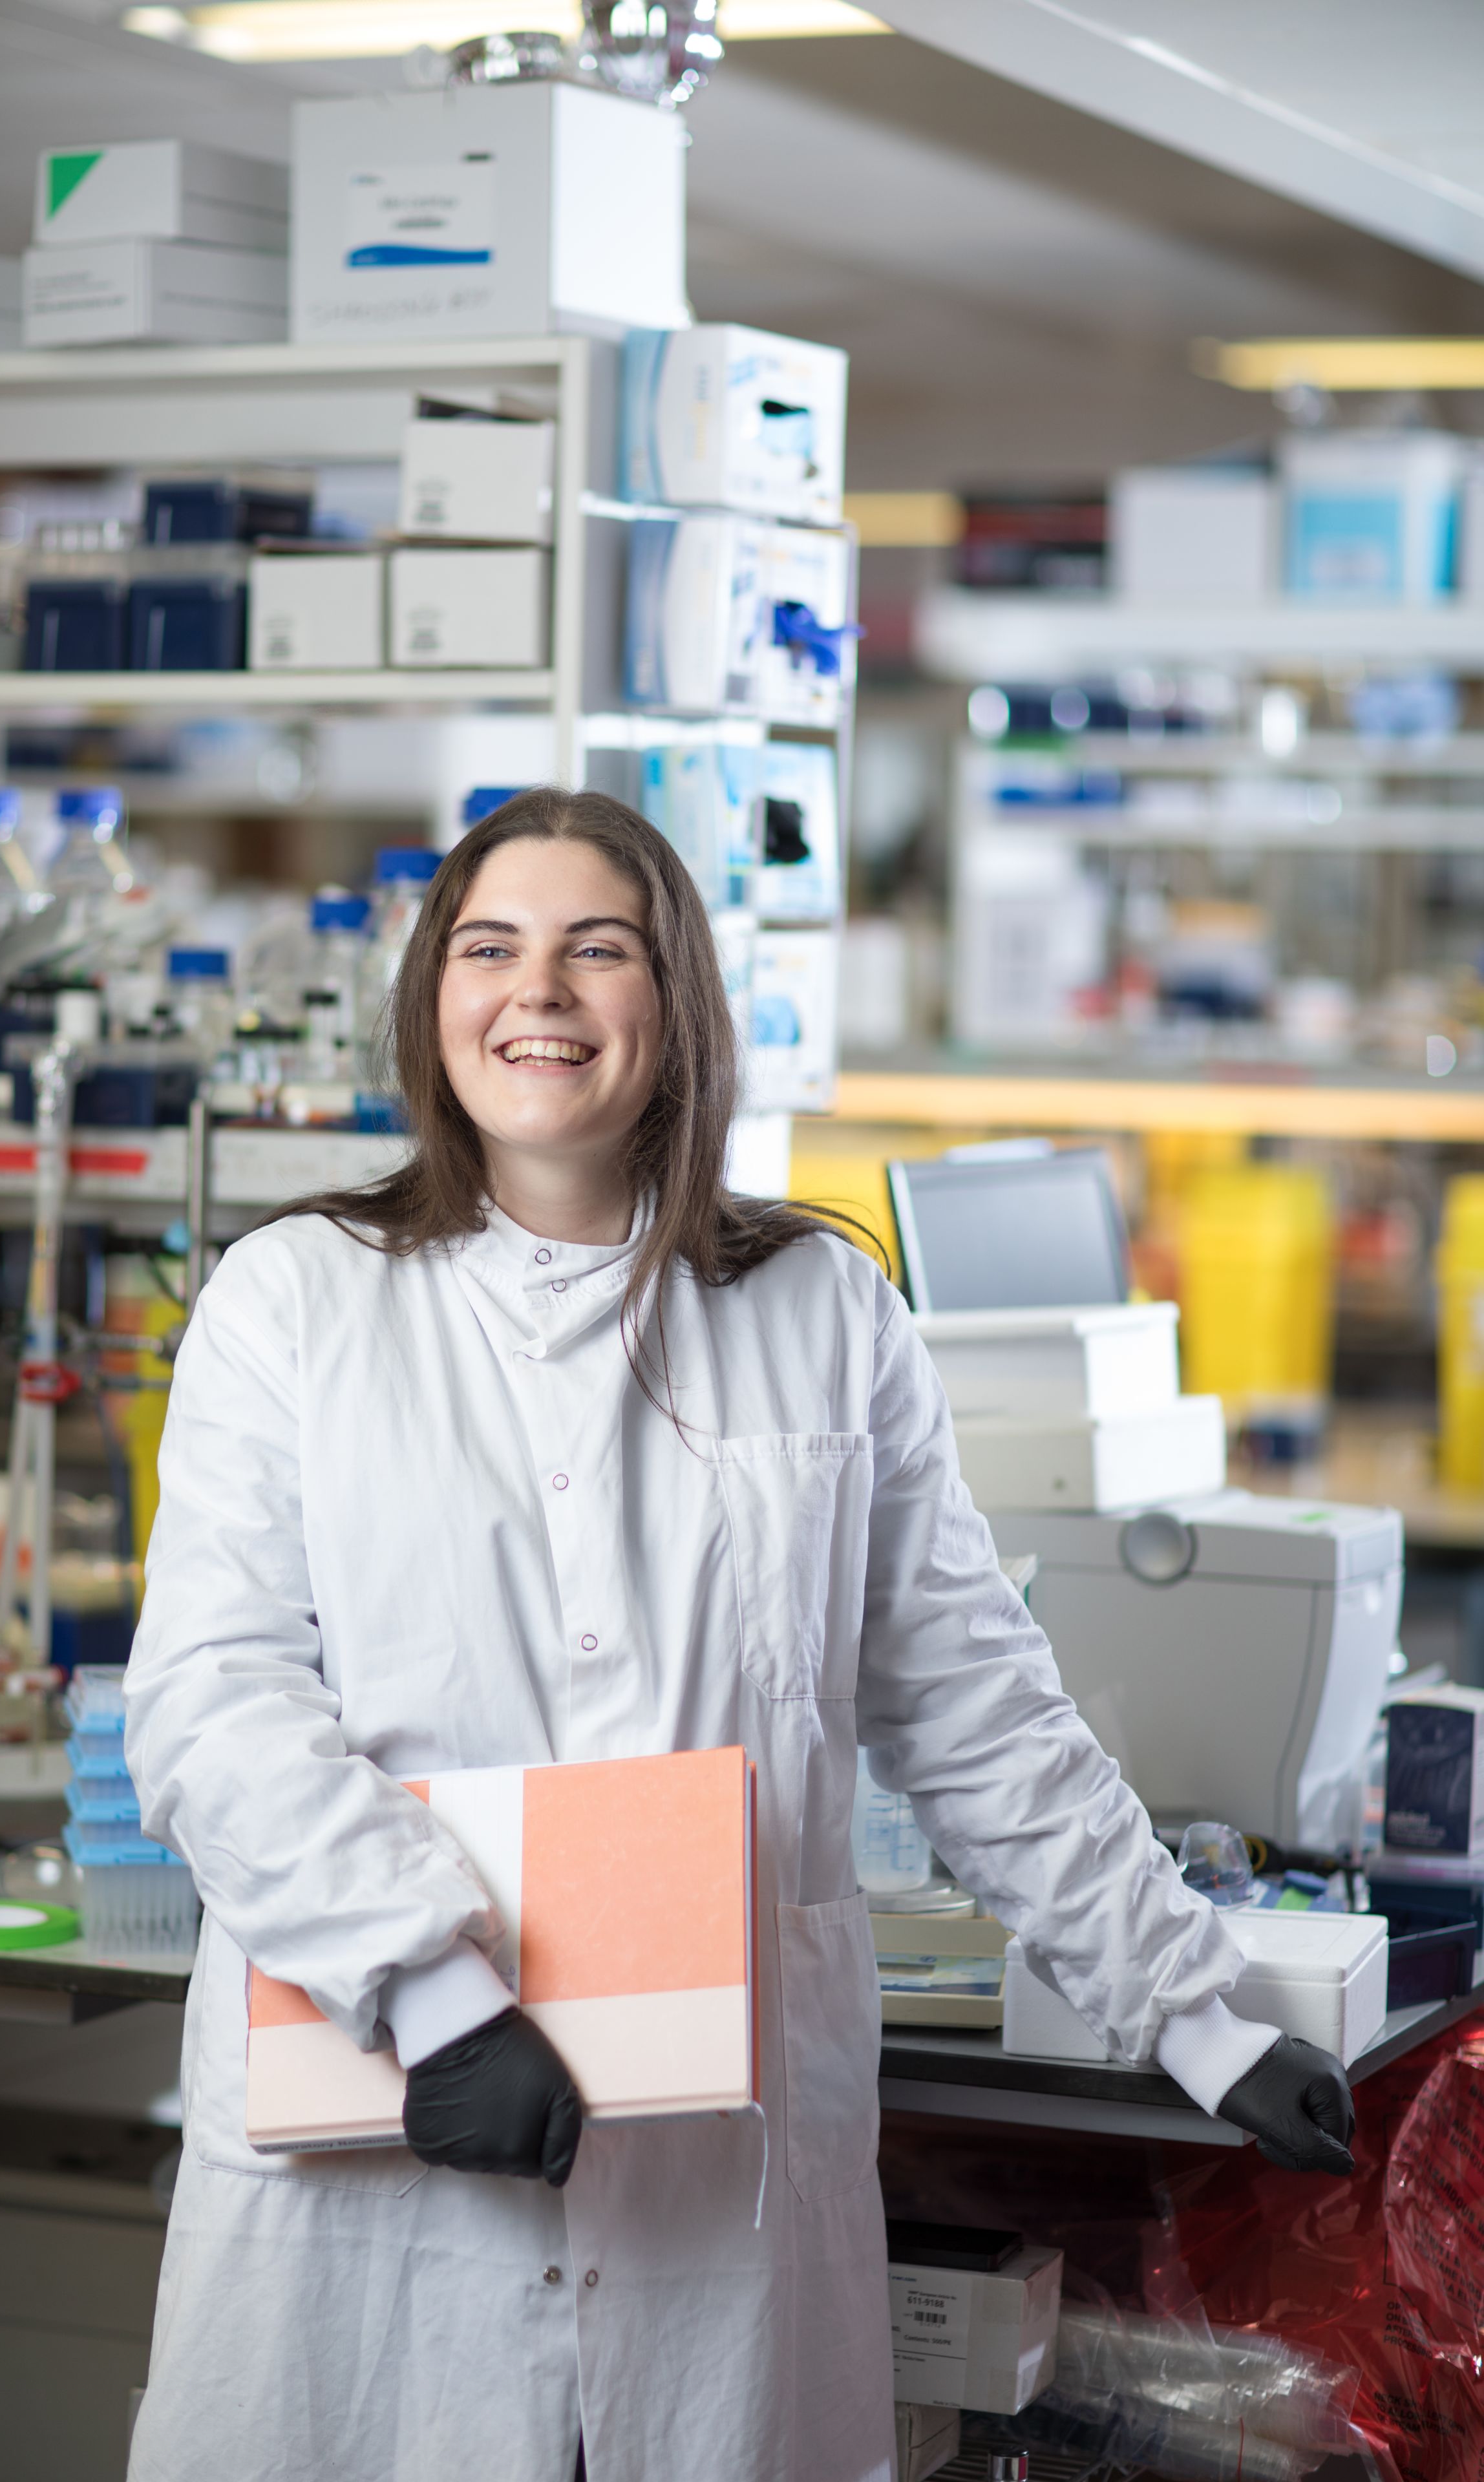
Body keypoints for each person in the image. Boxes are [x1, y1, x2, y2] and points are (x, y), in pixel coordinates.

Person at [123, 789, 1354, 2482]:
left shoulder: (819, 1312)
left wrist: (1199, 2014)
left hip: (716, 2176)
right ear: (431, 1002)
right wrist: (427, 1988)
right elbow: (216, 1708)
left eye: (595, 950)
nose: (534, 993)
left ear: (677, 1001)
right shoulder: (298, 1302)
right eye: (490, 949)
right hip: (388, 2134)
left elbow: (973, 1706)